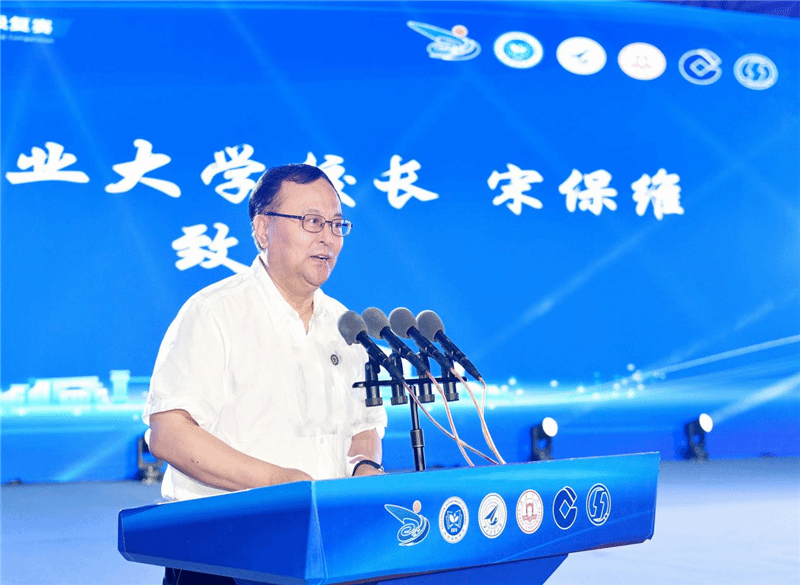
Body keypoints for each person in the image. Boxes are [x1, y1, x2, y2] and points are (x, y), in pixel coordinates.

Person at [143, 164, 387, 585]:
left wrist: (365, 469)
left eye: (336, 224)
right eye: (312, 221)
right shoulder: (213, 313)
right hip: (223, 552)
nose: (328, 238)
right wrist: (278, 483)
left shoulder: (346, 327)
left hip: (328, 548)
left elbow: (364, 426)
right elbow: (169, 434)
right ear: (262, 229)